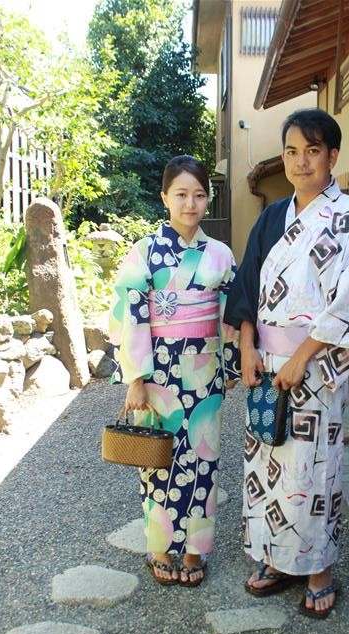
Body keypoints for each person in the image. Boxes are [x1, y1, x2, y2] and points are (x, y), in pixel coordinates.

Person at [224, 109, 349, 618]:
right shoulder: (273, 217)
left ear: (332, 156)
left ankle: (317, 568)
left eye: (312, 151)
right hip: (267, 362)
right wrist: (246, 347)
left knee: (313, 472)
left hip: (315, 366)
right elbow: (247, 285)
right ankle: (274, 557)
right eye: (291, 152)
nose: (300, 162)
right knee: (266, 462)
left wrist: (302, 357)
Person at [109, 155, 239, 587]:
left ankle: (196, 550)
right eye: (181, 194)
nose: (190, 204)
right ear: (164, 197)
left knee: (203, 458)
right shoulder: (144, 251)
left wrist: (233, 363)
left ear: (208, 199)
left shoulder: (219, 254)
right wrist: (135, 378)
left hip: (205, 370)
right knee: (158, 460)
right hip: (159, 371)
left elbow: (230, 312)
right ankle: (160, 547)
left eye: (199, 195)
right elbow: (130, 311)